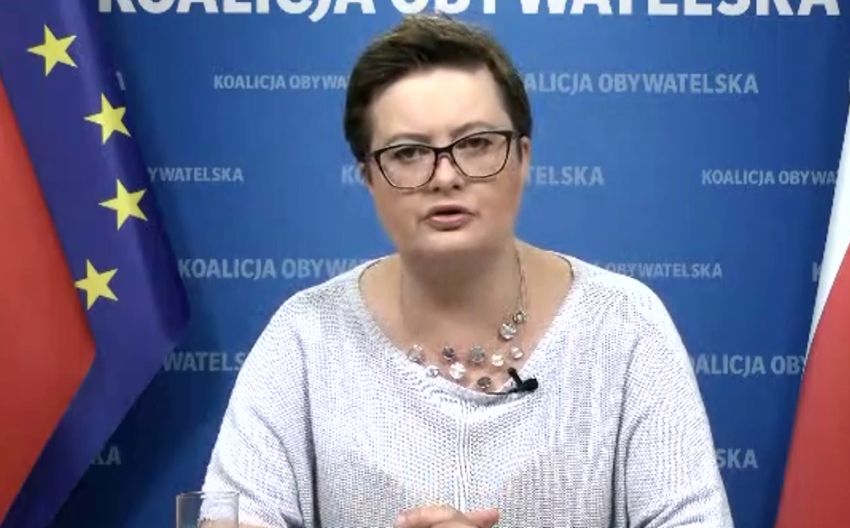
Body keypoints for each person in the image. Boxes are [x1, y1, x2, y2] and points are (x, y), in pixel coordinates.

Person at [202, 13, 733, 528]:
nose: (445, 176)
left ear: (523, 158)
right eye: (409, 152)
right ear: (368, 177)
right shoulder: (305, 336)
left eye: (476, 144)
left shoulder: (624, 324)